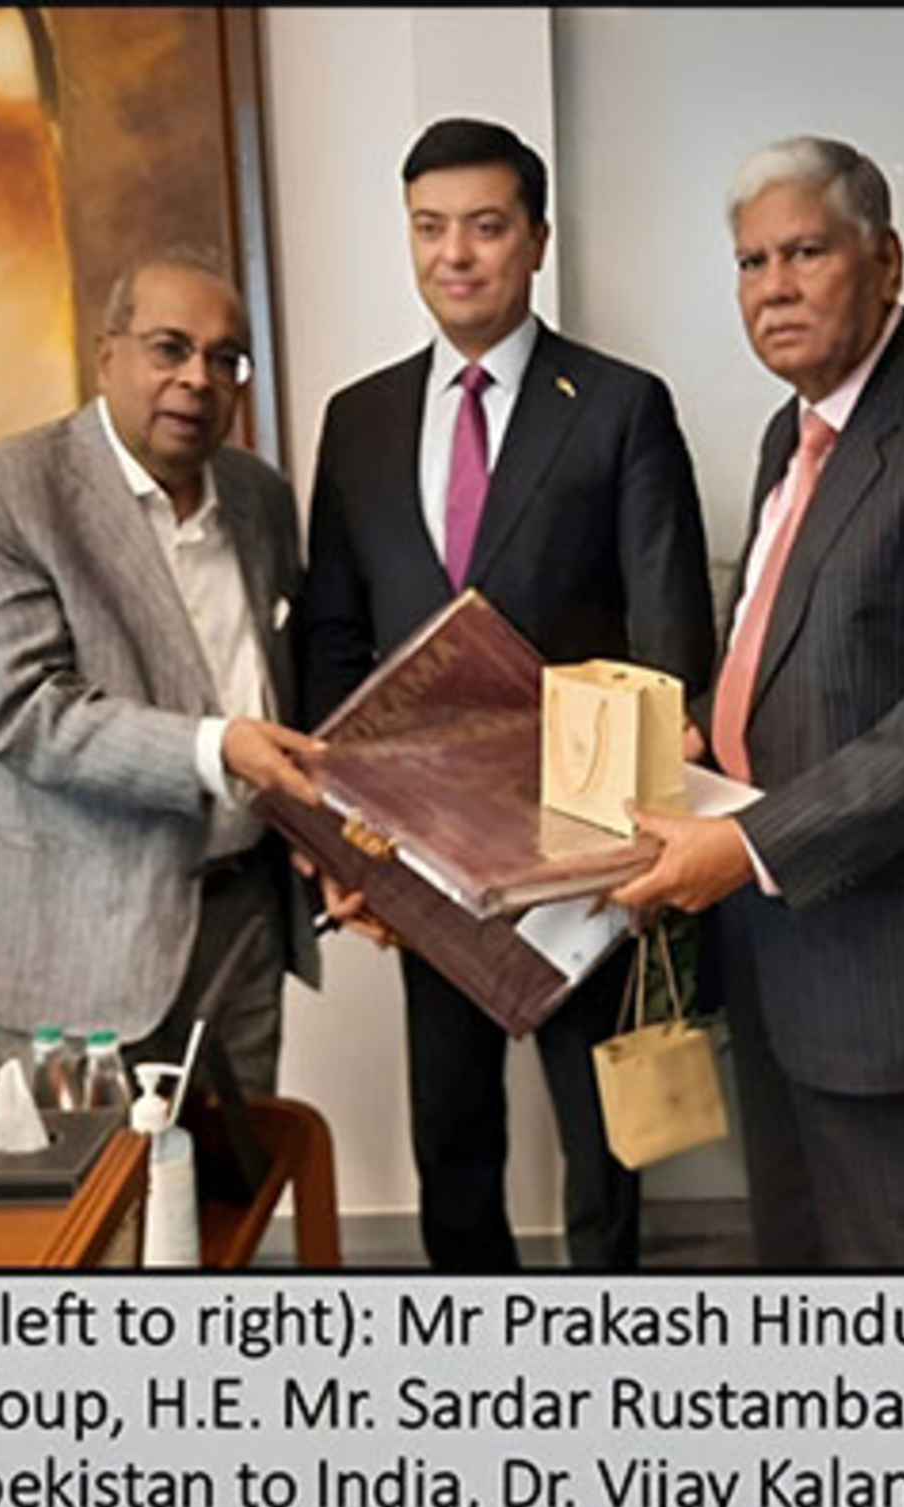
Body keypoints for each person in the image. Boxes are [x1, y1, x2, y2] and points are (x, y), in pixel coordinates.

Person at [613, 136, 904, 1267]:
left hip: (888, 971)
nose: (773, 287)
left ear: (887, 261)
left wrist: (747, 843)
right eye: (751, 261)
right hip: (773, 951)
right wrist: (700, 727)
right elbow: (783, 646)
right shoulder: (794, 428)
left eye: (805, 252)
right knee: (795, 1257)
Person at [300, 117, 713, 1271]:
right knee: (453, 1135)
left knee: (604, 1140)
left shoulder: (620, 404)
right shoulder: (358, 418)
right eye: (429, 228)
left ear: (536, 239)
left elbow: (670, 631)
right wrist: (340, 826)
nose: (456, 254)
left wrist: (658, 832)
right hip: (420, 845)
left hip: (585, 846)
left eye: (485, 227)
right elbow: (333, 636)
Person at [0, 252, 324, 1094]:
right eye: (169, 347)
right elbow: (27, 712)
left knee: (232, 1174)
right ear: (107, 355)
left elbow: (280, 684)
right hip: (70, 934)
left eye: (224, 358)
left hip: (241, 929)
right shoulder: (1, 495)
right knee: (76, 1182)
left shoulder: (259, 497)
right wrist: (218, 748)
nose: (197, 378)